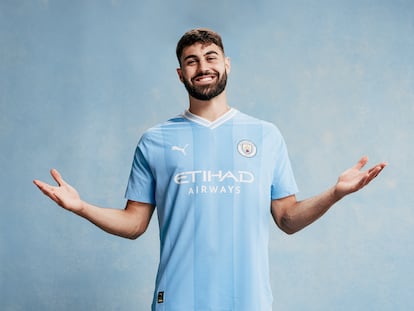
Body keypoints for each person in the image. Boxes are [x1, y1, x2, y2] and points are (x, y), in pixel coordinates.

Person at [33, 28, 387, 311]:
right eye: (191, 61)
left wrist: (334, 194)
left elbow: (287, 220)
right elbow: (134, 224)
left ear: (227, 64)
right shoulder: (154, 140)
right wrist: (82, 208)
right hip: (178, 300)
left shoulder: (266, 135)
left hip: (248, 301)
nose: (203, 66)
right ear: (180, 73)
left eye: (210, 57)